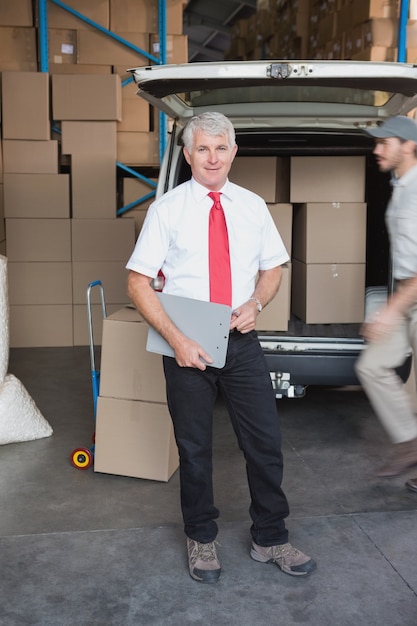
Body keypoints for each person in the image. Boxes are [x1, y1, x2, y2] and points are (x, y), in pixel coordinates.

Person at [126, 111, 316, 583]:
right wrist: (177, 340)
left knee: (265, 444)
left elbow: (273, 269)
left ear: (234, 152)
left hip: (241, 340)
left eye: (221, 147)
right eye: (203, 148)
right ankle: (201, 540)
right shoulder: (166, 209)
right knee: (194, 450)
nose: (212, 157)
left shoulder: (252, 206)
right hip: (186, 344)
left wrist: (256, 301)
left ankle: (270, 538)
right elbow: (137, 282)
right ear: (188, 154)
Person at [355, 115, 417, 482]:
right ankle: (410, 443)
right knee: (371, 365)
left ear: (409, 146)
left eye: (385, 142)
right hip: (405, 295)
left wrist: (388, 311)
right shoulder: (400, 184)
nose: (377, 150)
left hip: (409, 296)